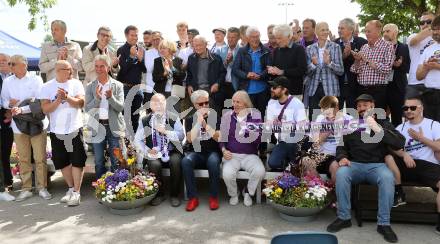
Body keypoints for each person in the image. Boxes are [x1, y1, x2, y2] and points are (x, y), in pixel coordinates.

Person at [327, 94, 405, 243]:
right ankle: (344, 217)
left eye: (365, 105)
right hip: (354, 164)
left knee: (388, 177)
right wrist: (342, 157)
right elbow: (341, 146)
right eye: (359, 106)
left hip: (377, 165)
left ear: (373, 106)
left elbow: (399, 142)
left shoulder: (383, 123)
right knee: (341, 173)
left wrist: (377, 128)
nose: (362, 108)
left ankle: (384, 223)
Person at [1, 55, 51, 202]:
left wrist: (20, 109)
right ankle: (26, 189)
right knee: (23, 158)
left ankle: (42, 188)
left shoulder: (36, 79)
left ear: (24, 65)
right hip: (18, 125)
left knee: (40, 158)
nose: (10, 66)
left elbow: (39, 103)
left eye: (12, 63)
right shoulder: (7, 81)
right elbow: (3, 101)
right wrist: (10, 104)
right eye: (9, 63)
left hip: (37, 123)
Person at [390, 96, 440, 234]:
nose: (409, 110)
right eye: (406, 108)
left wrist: (421, 138)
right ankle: (398, 193)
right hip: (407, 165)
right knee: (388, 156)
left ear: (421, 109)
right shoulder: (401, 127)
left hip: (428, 165)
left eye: (413, 108)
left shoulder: (433, 125)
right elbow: (391, 147)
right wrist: (404, 154)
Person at [39, 60, 87, 206]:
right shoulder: (47, 86)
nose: (70, 71)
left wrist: (67, 97)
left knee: (78, 161)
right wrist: (58, 100)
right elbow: (45, 109)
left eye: (71, 69)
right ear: (58, 70)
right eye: (67, 69)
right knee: (62, 161)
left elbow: (81, 104)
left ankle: (77, 193)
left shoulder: (76, 84)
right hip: (56, 130)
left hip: (74, 128)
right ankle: (71, 189)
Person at [134, 93, 184, 207]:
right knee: (154, 164)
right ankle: (159, 194)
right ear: (151, 105)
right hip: (154, 152)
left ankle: (174, 195)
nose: (159, 105)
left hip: (172, 150)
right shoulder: (145, 120)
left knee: (176, 161)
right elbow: (138, 140)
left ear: (165, 104)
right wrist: (147, 150)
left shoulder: (173, 117)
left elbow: (181, 136)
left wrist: (166, 131)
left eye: (161, 102)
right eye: (155, 103)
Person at [220, 91, 265, 207]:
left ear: (246, 104)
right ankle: (234, 194)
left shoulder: (255, 116)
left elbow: (258, 140)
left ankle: (248, 192)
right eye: (233, 102)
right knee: (227, 174)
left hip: (250, 155)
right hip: (232, 155)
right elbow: (221, 138)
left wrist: (246, 128)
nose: (235, 104)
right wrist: (224, 150)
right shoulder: (227, 116)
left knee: (260, 171)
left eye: (238, 102)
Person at [85, 55, 125, 179]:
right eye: (96, 66)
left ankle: (117, 188)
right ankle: (101, 189)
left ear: (108, 67)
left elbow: (120, 108)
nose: (99, 69)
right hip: (98, 127)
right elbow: (88, 109)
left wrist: (110, 98)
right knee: (98, 160)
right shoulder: (90, 86)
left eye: (102, 66)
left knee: (116, 159)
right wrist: (97, 98)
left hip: (114, 127)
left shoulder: (117, 85)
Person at [182, 90, 221, 211]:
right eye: (201, 104)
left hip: (212, 152)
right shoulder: (189, 119)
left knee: (214, 162)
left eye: (206, 103)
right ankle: (193, 198)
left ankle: (214, 197)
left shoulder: (215, 116)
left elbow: (218, 137)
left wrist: (205, 125)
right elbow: (189, 139)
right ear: (194, 105)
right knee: (186, 161)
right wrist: (198, 123)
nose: (204, 106)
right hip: (196, 153)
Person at [350, 20, 394, 110]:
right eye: (365, 31)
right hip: (361, 90)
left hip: (378, 91)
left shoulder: (388, 46)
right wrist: (357, 60)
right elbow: (354, 70)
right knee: (362, 120)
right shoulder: (364, 47)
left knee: (378, 120)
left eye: (369, 31)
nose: (366, 34)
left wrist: (366, 60)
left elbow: (387, 69)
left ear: (378, 31)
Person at [266, 76, 307, 170]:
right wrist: (272, 124)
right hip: (282, 142)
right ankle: (287, 161)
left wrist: (286, 126)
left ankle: (295, 162)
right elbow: (269, 124)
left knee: (290, 139)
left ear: (284, 90)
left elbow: (302, 127)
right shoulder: (271, 102)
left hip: (296, 141)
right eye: (271, 87)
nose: (271, 89)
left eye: (275, 87)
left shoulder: (297, 103)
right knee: (273, 163)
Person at [305, 22, 344, 120]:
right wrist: (313, 64)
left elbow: (341, 71)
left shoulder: (335, 47)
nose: (326, 32)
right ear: (316, 32)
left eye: (327, 29)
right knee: (314, 119)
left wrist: (329, 63)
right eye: (323, 30)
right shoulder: (309, 49)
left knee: (331, 119)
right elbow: (307, 72)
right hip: (314, 89)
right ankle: (315, 136)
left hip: (331, 89)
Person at [232, 26, 272, 117]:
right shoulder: (242, 51)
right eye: (253, 37)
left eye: (257, 36)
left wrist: (261, 75)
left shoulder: (266, 51)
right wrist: (247, 74)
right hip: (246, 91)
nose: (256, 39)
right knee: (245, 117)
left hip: (262, 90)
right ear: (248, 38)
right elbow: (235, 69)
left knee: (260, 117)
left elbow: (269, 68)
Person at [313, 96, 352, 183]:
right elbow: (316, 143)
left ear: (337, 107)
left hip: (339, 155)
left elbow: (351, 143)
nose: (325, 113)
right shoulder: (320, 118)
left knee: (335, 167)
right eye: (323, 110)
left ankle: (334, 193)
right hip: (323, 155)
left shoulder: (348, 119)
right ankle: (320, 189)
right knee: (304, 162)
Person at [116, 25, 145, 134]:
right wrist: (132, 57)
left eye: (136, 35)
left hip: (138, 89)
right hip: (125, 88)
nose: (135, 38)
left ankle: (135, 144)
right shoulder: (121, 50)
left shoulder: (141, 49)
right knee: (125, 118)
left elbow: (145, 70)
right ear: (126, 35)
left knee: (135, 117)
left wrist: (141, 60)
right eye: (132, 35)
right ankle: (126, 144)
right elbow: (122, 70)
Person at [186, 36, 226, 114]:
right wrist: (189, 85)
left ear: (205, 44)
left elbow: (223, 73)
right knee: (196, 120)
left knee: (213, 119)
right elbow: (189, 75)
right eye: (195, 45)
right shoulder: (191, 58)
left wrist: (217, 84)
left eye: (200, 45)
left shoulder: (216, 58)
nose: (197, 47)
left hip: (212, 92)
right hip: (196, 92)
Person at [335, 18, 368, 109]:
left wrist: (354, 57)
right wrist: (344, 55)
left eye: (342, 28)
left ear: (351, 30)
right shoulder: (334, 43)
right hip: (338, 86)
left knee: (354, 116)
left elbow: (365, 62)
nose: (339, 31)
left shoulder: (362, 42)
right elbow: (332, 63)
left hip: (356, 86)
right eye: (338, 28)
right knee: (337, 116)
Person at [268, 24, 307, 98]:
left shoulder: (299, 49)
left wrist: (282, 72)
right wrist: (271, 70)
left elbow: (302, 70)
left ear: (289, 36)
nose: (277, 41)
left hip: (294, 92)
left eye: (279, 38)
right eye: (276, 38)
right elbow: (276, 70)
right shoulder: (276, 50)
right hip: (278, 92)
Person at [383, 23, 410, 127]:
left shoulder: (405, 48)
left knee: (397, 117)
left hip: (398, 87)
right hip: (383, 87)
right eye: (384, 31)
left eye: (387, 31)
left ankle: (396, 141)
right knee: (381, 116)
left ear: (395, 32)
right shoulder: (379, 47)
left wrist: (399, 65)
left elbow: (408, 68)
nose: (384, 34)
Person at [416, 15, 440, 122]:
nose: (435, 32)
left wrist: (437, 66)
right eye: (434, 29)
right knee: (430, 129)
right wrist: (427, 67)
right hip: (429, 95)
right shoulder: (428, 49)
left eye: (439, 29)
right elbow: (418, 76)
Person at [407, 12, 436, 96]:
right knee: (413, 109)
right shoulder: (413, 36)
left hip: (435, 82)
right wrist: (431, 28)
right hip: (415, 83)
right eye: (422, 23)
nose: (425, 24)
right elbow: (414, 41)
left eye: (429, 22)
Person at [0, 53, 13, 189]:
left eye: (5, 61)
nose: (2, 63)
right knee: (5, 151)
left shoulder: (15, 78)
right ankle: (7, 181)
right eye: (0, 61)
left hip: (21, 115)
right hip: (2, 116)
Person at [143, 31, 163, 105]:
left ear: (162, 39)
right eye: (153, 40)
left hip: (165, 89)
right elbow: (149, 69)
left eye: (157, 39)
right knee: (150, 114)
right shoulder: (147, 53)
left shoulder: (168, 51)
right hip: (150, 89)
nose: (155, 42)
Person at [224, 27, 241, 100]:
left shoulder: (243, 51)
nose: (230, 39)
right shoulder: (221, 50)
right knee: (224, 109)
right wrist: (225, 63)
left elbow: (242, 69)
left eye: (233, 37)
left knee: (234, 109)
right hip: (223, 85)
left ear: (238, 38)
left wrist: (231, 62)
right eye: (229, 37)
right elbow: (218, 68)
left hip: (235, 86)